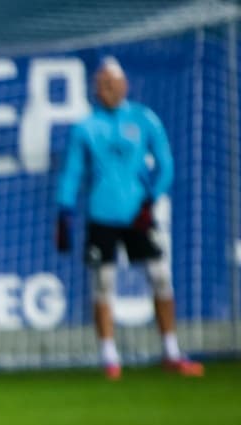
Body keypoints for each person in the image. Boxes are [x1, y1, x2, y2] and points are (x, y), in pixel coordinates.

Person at [54, 56, 204, 380]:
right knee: (103, 283)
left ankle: (171, 350)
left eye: (110, 83)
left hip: (138, 213)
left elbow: (166, 164)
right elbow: (72, 172)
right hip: (101, 215)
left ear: (124, 85)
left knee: (160, 276)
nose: (105, 89)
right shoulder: (85, 127)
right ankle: (109, 356)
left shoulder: (143, 119)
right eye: (100, 84)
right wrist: (64, 209)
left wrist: (151, 198)